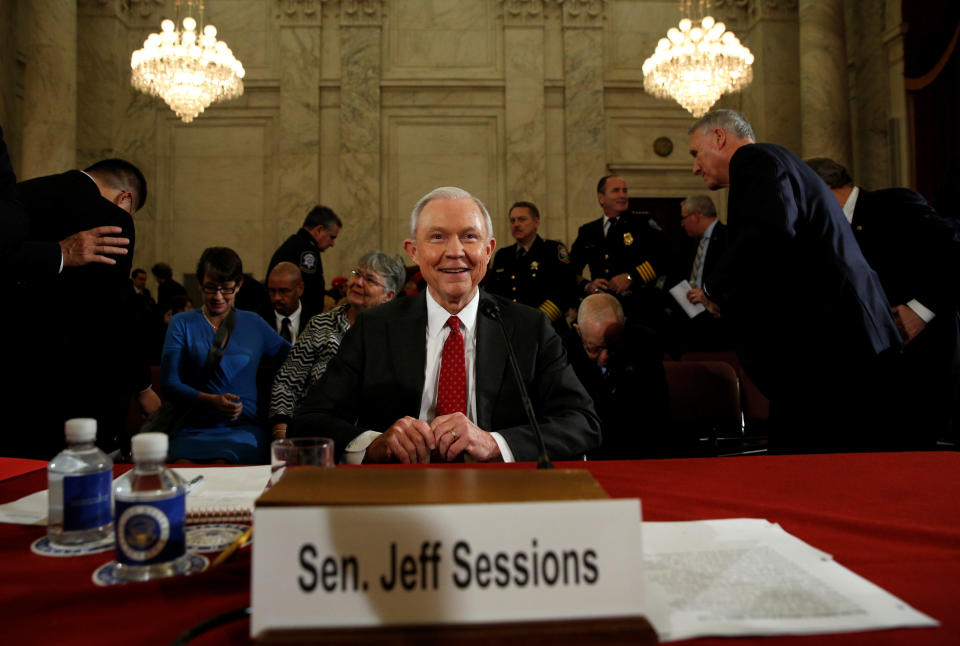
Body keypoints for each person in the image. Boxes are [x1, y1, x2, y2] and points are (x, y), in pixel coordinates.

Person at [290, 186, 601, 463]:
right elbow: (309, 420)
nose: (455, 252)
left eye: (469, 236)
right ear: (413, 251)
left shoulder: (529, 327)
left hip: (500, 496)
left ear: (488, 250)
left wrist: (495, 443)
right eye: (437, 237)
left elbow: (582, 422)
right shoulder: (375, 327)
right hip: (398, 496)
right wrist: (373, 443)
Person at [687, 109, 902, 451]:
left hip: (833, 353)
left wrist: (714, 288)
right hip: (837, 347)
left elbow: (767, 233)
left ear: (719, 138)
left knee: (815, 469)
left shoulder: (753, 158)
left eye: (696, 153)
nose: (695, 167)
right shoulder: (776, 163)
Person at [10, 157, 157, 458]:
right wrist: (142, 385)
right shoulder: (111, 217)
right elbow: (117, 313)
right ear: (125, 198)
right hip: (80, 392)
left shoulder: (18, 194)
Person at [806, 157, 960, 444]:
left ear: (822, 188)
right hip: (870, 379)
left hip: (920, 367)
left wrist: (920, 311)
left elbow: (955, 255)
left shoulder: (893, 204)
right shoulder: (824, 232)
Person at [161, 247, 290, 463]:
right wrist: (210, 400)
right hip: (192, 428)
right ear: (200, 284)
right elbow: (169, 383)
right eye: (210, 288)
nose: (218, 296)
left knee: (223, 466)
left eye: (227, 289)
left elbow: (296, 357)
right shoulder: (181, 323)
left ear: (238, 285)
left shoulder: (254, 323)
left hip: (243, 429)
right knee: (183, 471)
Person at [270, 251, 406, 440]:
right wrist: (281, 430)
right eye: (357, 274)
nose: (358, 282)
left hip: (375, 438)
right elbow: (287, 382)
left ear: (388, 296)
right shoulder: (321, 325)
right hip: (317, 433)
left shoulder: (397, 335)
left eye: (370, 280)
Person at [568, 293, 668, 459]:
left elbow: (657, 416)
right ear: (578, 331)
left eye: (612, 346)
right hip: (584, 456)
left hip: (637, 453)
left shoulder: (646, 347)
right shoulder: (562, 354)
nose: (604, 357)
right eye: (593, 349)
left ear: (624, 326)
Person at [569, 175, 673, 329]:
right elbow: (569, 268)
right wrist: (588, 285)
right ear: (601, 197)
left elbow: (665, 258)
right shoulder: (588, 231)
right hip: (602, 311)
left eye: (625, 191)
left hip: (640, 310)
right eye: (616, 191)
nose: (623, 195)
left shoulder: (642, 223)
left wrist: (632, 276)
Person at [485, 201, 576, 329]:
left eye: (522, 220)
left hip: (545, 328)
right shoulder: (503, 255)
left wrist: (537, 320)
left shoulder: (553, 250)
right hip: (509, 328)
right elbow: (492, 293)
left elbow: (565, 290)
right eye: (512, 221)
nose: (516, 224)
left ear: (536, 222)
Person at [669, 194, 732, 353]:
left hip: (717, 320)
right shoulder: (693, 241)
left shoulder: (728, 238)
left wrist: (709, 299)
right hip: (691, 317)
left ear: (696, 215)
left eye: (684, 218)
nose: (682, 224)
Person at [267, 205, 342, 316]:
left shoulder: (295, 244)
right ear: (319, 230)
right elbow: (310, 293)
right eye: (332, 237)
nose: (332, 244)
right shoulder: (307, 251)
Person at [260, 262, 317, 343]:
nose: (276, 297)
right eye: (272, 291)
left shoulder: (317, 323)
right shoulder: (259, 321)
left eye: (283, 291)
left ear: (300, 289)